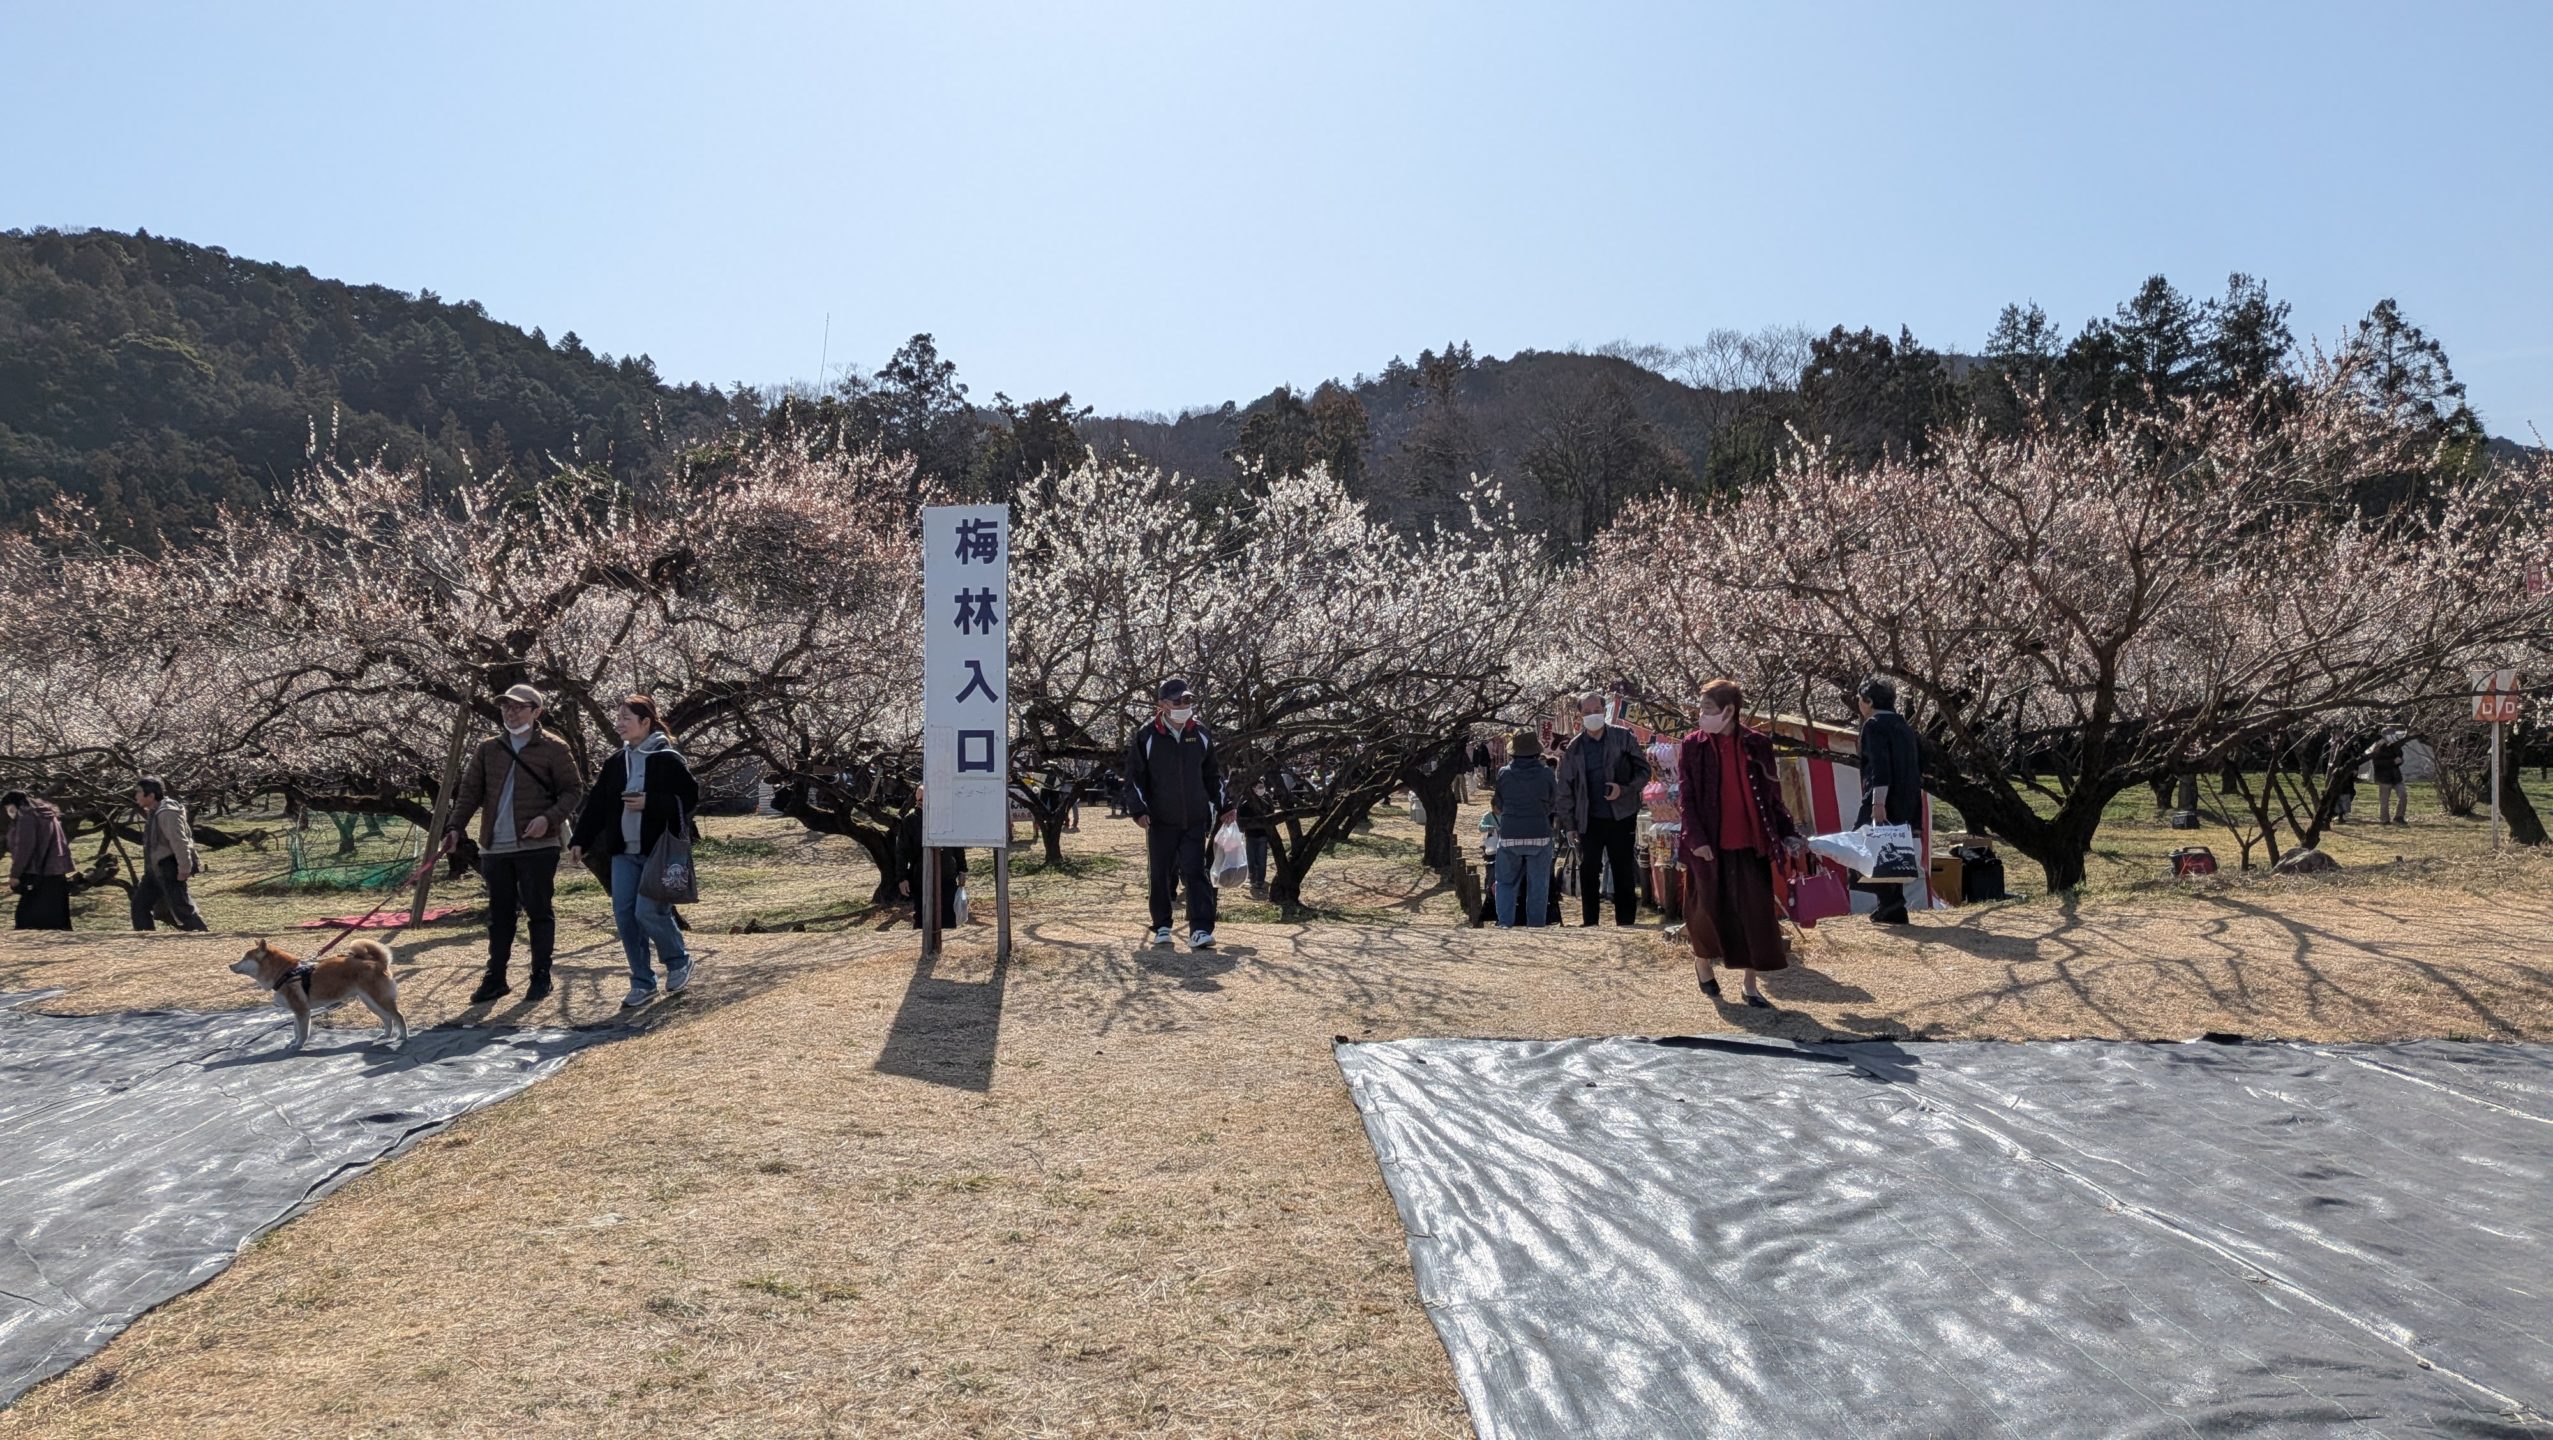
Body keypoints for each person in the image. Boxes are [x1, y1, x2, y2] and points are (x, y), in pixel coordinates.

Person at [440, 684, 586, 1004]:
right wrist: (454, 828)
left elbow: (573, 791)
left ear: (537, 711)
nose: (511, 712)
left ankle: (540, 975)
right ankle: (496, 977)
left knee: (539, 910)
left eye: (519, 707)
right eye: (506, 706)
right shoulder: (488, 748)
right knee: (499, 914)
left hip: (538, 845)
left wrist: (548, 818)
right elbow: (469, 793)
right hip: (496, 845)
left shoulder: (554, 748)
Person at [1678, 679, 1808, 1006]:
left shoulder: (1757, 744)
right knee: (1705, 910)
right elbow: (1687, 797)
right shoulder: (1693, 745)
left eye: (1708, 708)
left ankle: (1750, 985)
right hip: (1708, 843)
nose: (1702, 714)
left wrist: (1787, 831)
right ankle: (1703, 963)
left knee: (1754, 914)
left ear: (1729, 710)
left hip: (1751, 842)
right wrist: (1696, 838)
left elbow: (1772, 796)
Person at [569, 695, 700, 1008]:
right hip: (623, 852)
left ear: (646, 722)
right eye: (618, 719)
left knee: (648, 912)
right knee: (625, 915)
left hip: (657, 852)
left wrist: (650, 802)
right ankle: (642, 981)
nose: (619, 724)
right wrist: (579, 840)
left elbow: (690, 799)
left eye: (626, 718)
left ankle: (678, 960)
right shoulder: (616, 762)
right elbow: (597, 804)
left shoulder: (667, 759)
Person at [1122, 677, 1235, 949]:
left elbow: (1212, 775)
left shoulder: (1200, 733)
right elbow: (1134, 778)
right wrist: (1139, 810)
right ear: (1163, 704)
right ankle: (1162, 925)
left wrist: (1225, 805)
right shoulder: (1147, 735)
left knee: (1196, 872)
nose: (1185, 706)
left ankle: (1201, 929)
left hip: (1195, 818)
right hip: (1160, 819)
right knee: (1160, 874)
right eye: (1178, 701)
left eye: (1188, 700)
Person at [1552, 691, 1652, 927]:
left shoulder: (1623, 737)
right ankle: (1590, 923)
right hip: (1588, 818)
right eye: (1587, 712)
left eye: (1596, 710)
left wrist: (1624, 789)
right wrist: (1569, 825)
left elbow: (1644, 771)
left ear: (1604, 710)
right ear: (1580, 715)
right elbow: (1564, 789)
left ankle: (1626, 922)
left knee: (1623, 869)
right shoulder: (1574, 748)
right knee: (1588, 870)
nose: (1593, 715)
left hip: (1622, 815)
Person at [1854, 676, 1923, 926]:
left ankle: (1891, 904)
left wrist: (1878, 803)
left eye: (1860, 699)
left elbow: (1880, 767)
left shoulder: (1874, 725)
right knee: (1895, 851)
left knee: (1864, 848)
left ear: (1869, 701)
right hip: (1908, 797)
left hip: (1885, 798)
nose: (1859, 704)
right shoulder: (1903, 725)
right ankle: (1891, 906)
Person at [1489, 729, 1559, 927]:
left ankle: (1505, 924)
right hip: (1539, 833)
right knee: (1539, 884)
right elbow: (1554, 802)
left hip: (1510, 834)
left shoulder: (1504, 773)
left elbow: (1498, 804)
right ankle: (1536, 925)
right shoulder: (1546, 774)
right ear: (1537, 752)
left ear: (1514, 752)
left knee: (1506, 883)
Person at [129, 777, 208, 932]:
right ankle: (146, 941)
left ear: (151, 795)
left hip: (169, 867)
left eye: (138, 792)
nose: (135, 796)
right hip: (155, 870)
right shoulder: (154, 812)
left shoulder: (167, 813)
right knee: (139, 905)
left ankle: (203, 938)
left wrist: (184, 868)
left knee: (182, 910)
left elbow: (179, 841)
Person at [894, 784, 964, 930]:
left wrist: (962, 869)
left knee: (948, 915)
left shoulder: (946, 817)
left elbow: (957, 845)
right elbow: (902, 851)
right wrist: (902, 878)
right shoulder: (910, 820)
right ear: (918, 800)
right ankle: (925, 942)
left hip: (947, 874)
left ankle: (944, 941)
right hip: (921, 876)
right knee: (922, 915)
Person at [4, 791, 75, 930]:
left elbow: (24, 847)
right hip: (55, 871)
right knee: (57, 920)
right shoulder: (47, 814)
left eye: (9, 808)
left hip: (37, 872)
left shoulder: (26, 817)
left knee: (26, 920)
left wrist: (15, 874)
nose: (8, 812)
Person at [2368, 732, 2411, 825]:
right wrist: (2392, 762)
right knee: (2384, 800)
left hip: (2396, 776)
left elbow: (2399, 756)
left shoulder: (2394, 746)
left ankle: (2399, 817)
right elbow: (2377, 763)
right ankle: (2384, 819)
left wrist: (2399, 760)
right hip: (2383, 777)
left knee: (2403, 795)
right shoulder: (2378, 748)